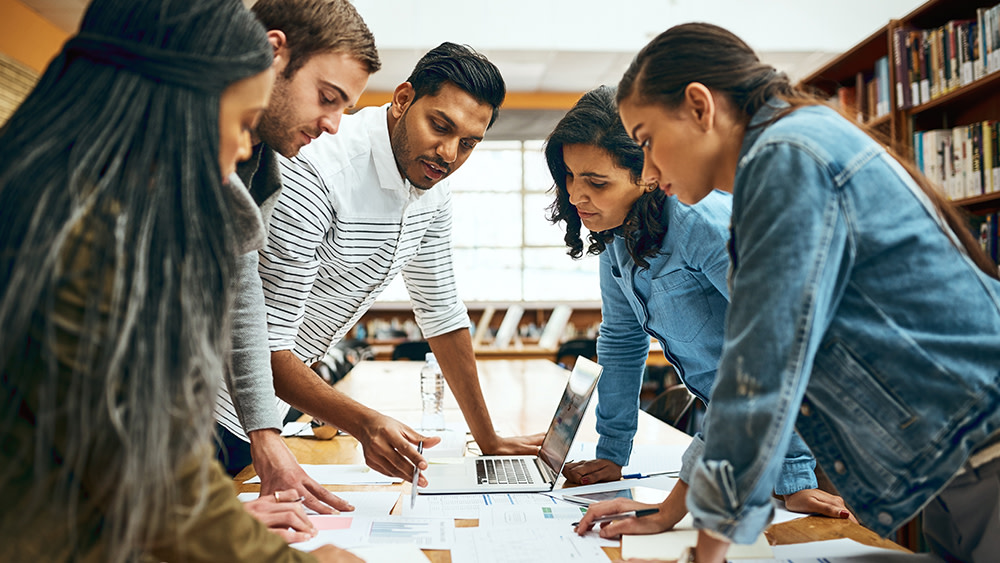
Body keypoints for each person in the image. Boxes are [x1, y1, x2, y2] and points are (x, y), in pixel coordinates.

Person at [578, 22, 1000, 563]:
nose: (651, 171)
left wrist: (707, 550)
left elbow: (762, 369)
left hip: (983, 450)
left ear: (699, 107)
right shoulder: (789, 147)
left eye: (647, 142)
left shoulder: (787, 160)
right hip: (951, 458)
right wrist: (673, 512)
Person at [0, 1, 358, 561]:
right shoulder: (85, 245)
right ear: (171, 103)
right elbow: (142, 473)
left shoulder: (64, 207)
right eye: (240, 123)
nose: (244, 150)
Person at [547, 86, 849, 533]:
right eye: (570, 176)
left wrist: (794, 475)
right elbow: (623, 342)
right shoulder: (617, 238)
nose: (575, 195)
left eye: (596, 181)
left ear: (648, 173)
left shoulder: (705, 223)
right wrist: (612, 454)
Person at [253, 42, 544, 485]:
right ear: (403, 99)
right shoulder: (317, 170)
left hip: (267, 411)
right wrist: (365, 423)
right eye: (440, 126)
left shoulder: (433, 191)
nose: (449, 154)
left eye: (468, 143)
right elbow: (265, 344)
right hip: (213, 404)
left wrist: (489, 440)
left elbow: (442, 312)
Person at [214, 0, 381, 516]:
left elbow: (244, 305)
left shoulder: (257, 164)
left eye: (344, 110)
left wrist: (265, 436)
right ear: (273, 53)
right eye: (327, 98)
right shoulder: (178, 150)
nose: (333, 125)